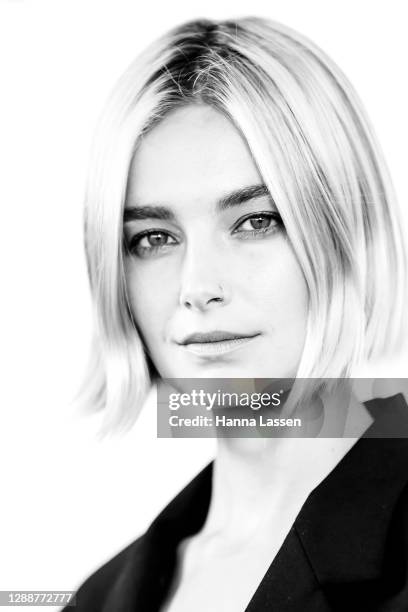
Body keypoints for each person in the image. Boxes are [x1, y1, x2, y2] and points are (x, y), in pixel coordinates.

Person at [65, 17, 408, 611]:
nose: (197, 287)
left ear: (348, 233)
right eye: (153, 238)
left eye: (255, 222)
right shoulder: (98, 599)